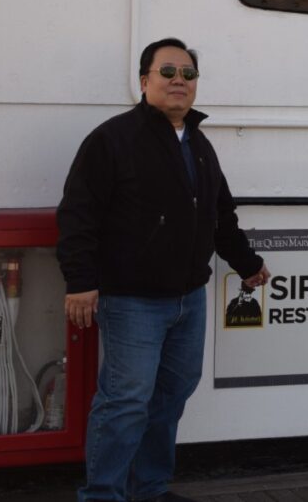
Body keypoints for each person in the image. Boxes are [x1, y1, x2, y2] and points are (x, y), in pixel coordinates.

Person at [57, 37, 271, 502]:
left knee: (171, 396)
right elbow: (78, 214)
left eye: (188, 74)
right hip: (132, 300)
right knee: (125, 401)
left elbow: (219, 214)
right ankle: (103, 495)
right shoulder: (112, 140)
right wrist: (80, 282)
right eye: (168, 72)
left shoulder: (199, 144)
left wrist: (247, 264)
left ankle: (149, 491)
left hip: (188, 300)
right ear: (144, 81)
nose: (179, 81)